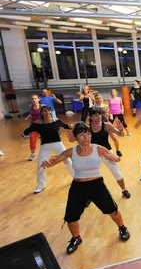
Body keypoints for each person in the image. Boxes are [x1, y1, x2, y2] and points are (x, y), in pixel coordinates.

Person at [41, 122, 130, 254]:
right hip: (78, 186)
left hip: (97, 184)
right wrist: (48, 163)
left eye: (88, 134)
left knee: (113, 210)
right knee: (71, 218)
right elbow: (55, 160)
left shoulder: (98, 148)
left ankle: (122, 228)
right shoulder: (71, 151)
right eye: (82, 135)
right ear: (76, 137)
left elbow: (117, 159)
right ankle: (76, 238)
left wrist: (114, 158)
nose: (86, 137)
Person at [69, 107, 131, 198]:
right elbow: (76, 139)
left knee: (116, 172)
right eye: (96, 115)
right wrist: (71, 139)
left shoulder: (106, 125)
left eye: (100, 115)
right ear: (91, 117)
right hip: (92, 152)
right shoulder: (87, 127)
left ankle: (124, 190)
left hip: (106, 152)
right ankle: (88, 196)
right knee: (88, 174)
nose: (99, 117)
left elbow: (121, 135)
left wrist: (121, 129)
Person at [22, 105, 75, 194]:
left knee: (68, 161)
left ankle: (76, 178)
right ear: (42, 113)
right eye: (45, 111)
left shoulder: (57, 121)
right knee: (40, 164)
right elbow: (26, 131)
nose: (48, 113)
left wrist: (73, 126)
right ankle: (41, 185)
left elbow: (67, 126)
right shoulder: (37, 124)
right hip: (45, 146)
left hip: (58, 144)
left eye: (49, 110)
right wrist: (24, 135)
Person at [25, 94, 42, 161]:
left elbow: (47, 114)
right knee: (32, 138)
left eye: (35, 98)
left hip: (42, 125)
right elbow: (31, 113)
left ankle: (57, 151)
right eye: (32, 99)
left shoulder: (42, 106)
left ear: (38, 99)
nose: (34, 100)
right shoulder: (30, 106)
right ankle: (33, 154)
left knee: (49, 139)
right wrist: (28, 117)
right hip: (33, 126)